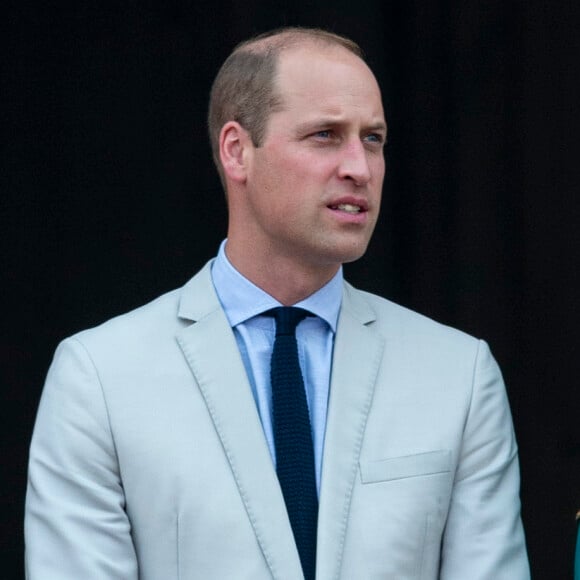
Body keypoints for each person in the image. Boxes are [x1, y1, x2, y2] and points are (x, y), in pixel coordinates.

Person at [25, 27, 530, 579]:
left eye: (373, 139)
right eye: (324, 135)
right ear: (237, 151)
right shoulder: (99, 376)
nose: (359, 168)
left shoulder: (458, 374)